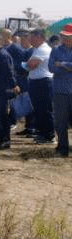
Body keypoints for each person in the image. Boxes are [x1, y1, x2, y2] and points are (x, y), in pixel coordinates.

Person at [26, 29, 55, 144]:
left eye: (33, 37)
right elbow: (29, 65)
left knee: (45, 109)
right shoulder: (36, 50)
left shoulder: (43, 49)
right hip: (36, 82)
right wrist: (28, 65)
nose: (31, 40)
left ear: (41, 37)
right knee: (38, 109)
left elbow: (31, 64)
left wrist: (28, 65)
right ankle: (42, 133)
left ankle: (49, 135)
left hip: (44, 82)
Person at [48, 24, 72, 157]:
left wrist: (62, 64)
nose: (65, 38)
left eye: (68, 36)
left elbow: (57, 66)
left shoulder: (58, 54)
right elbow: (51, 68)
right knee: (60, 122)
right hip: (60, 91)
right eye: (63, 36)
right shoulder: (55, 50)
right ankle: (63, 148)